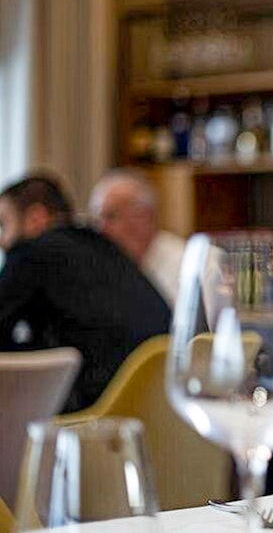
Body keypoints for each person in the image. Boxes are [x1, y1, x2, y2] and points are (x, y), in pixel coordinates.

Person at [0, 174, 171, 411]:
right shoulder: (104, 247)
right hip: (159, 407)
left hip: (97, 413)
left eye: (3, 225)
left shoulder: (31, 252)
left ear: (36, 218)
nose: (1, 240)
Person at [88, 169, 186, 307]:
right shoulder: (99, 268)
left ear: (144, 216)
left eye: (110, 217)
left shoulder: (192, 266)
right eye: (96, 220)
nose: (101, 229)